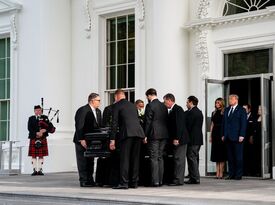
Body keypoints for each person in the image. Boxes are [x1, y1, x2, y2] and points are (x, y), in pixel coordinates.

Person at [109, 89, 145, 189]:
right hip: (138, 133)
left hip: (127, 134)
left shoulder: (117, 105)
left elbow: (114, 123)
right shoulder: (132, 105)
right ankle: (134, 182)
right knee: (135, 159)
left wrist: (112, 139)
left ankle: (124, 183)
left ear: (116, 97)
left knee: (125, 159)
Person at [73, 93, 102, 187]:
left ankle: (90, 179)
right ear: (92, 100)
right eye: (98, 100)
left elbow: (98, 126)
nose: (99, 102)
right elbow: (79, 126)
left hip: (92, 140)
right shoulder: (83, 110)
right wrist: (81, 139)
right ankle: (83, 180)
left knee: (91, 160)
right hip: (81, 140)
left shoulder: (98, 112)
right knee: (82, 161)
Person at [144, 88, 169, 187]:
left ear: (149, 95)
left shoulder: (150, 105)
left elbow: (148, 121)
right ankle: (161, 180)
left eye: (147, 96)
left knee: (153, 157)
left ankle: (155, 181)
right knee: (160, 157)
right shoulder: (163, 106)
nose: (147, 98)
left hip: (154, 134)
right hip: (164, 134)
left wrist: (145, 135)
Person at [163, 93, 189, 186]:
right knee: (176, 159)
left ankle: (178, 180)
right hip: (177, 139)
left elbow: (179, 125)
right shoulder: (173, 110)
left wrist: (177, 138)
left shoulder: (178, 109)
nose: (164, 104)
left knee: (179, 159)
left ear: (170, 100)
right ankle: (176, 178)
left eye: (165, 102)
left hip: (180, 139)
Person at [222, 94, 247, 180]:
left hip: (237, 137)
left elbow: (243, 123)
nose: (229, 100)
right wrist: (223, 134)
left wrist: (242, 135)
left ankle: (238, 174)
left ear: (236, 100)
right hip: (228, 137)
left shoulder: (242, 110)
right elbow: (224, 123)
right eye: (229, 99)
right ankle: (231, 174)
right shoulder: (227, 110)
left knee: (238, 157)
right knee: (230, 157)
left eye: (231, 99)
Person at [28, 105, 54, 176]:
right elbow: (29, 128)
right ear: (34, 111)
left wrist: (44, 130)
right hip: (34, 137)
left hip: (42, 138)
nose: (38, 112)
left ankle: (39, 169)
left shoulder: (45, 118)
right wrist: (36, 133)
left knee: (41, 155)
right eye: (36, 110)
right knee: (33, 155)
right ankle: (34, 170)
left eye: (39, 110)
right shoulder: (31, 118)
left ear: (41, 111)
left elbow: (50, 127)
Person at [185, 96, 203, 184]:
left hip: (193, 139)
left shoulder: (193, 113)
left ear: (191, 102)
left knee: (192, 158)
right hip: (197, 139)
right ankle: (194, 177)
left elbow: (189, 126)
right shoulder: (198, 112)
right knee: (194, 158)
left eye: (187, 102)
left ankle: (195, 178)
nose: (186, 104)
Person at [210, 98, 227, 179]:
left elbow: (227, 124)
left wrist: (225, 134)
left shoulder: (225, 112)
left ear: (221, 103)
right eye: (216, 102)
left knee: (222, 154)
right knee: (216, 154)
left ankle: (221, 172)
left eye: (218, 102)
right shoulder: (213, 112)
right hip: (215, 134)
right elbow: (212, 125)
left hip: (222, 133)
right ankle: (217, 172)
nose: (216, 104)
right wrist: (210, 136)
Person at [243, 104, 256, 176]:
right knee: (244, 156)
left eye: (245, 109)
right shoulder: (242, 117)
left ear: (249, 109)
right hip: (243, 140)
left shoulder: (253, 117)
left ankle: (252, 172)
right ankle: (245, 171)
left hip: (250, 139)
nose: (243, 110)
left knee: (251, 155)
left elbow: (254, 128)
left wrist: (251, 136)